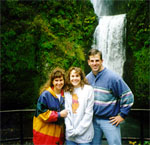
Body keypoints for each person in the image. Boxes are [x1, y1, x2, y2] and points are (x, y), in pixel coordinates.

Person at [86, 48, 134, 145]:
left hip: (110, 120)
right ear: (88, 62)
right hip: (93, 120)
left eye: (97, 61)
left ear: (102, 61)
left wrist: (122, 115)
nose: (94, 63)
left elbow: (128, 96)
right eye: (92, 61)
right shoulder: (87, 78)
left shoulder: (113, 77)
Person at [33, 67, 68, 145]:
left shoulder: (66, 94)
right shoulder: (45, 95)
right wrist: (59, 114)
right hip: (45, 133)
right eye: (56, 80)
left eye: (61, 80)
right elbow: (42, 114)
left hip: (58, 134)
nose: (59, 83)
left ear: (64, 81)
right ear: (52, 81)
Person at [64, 67, 94, 145]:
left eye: (77, 76)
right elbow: (66, 113)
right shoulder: (66, 91)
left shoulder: (88, 90)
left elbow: (89, 113)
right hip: (70, 136)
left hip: (85, 135)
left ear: (81, 77)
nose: (75, 78)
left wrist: (78, 131)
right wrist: (70, 130)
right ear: (69, 77)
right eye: (72, 76)